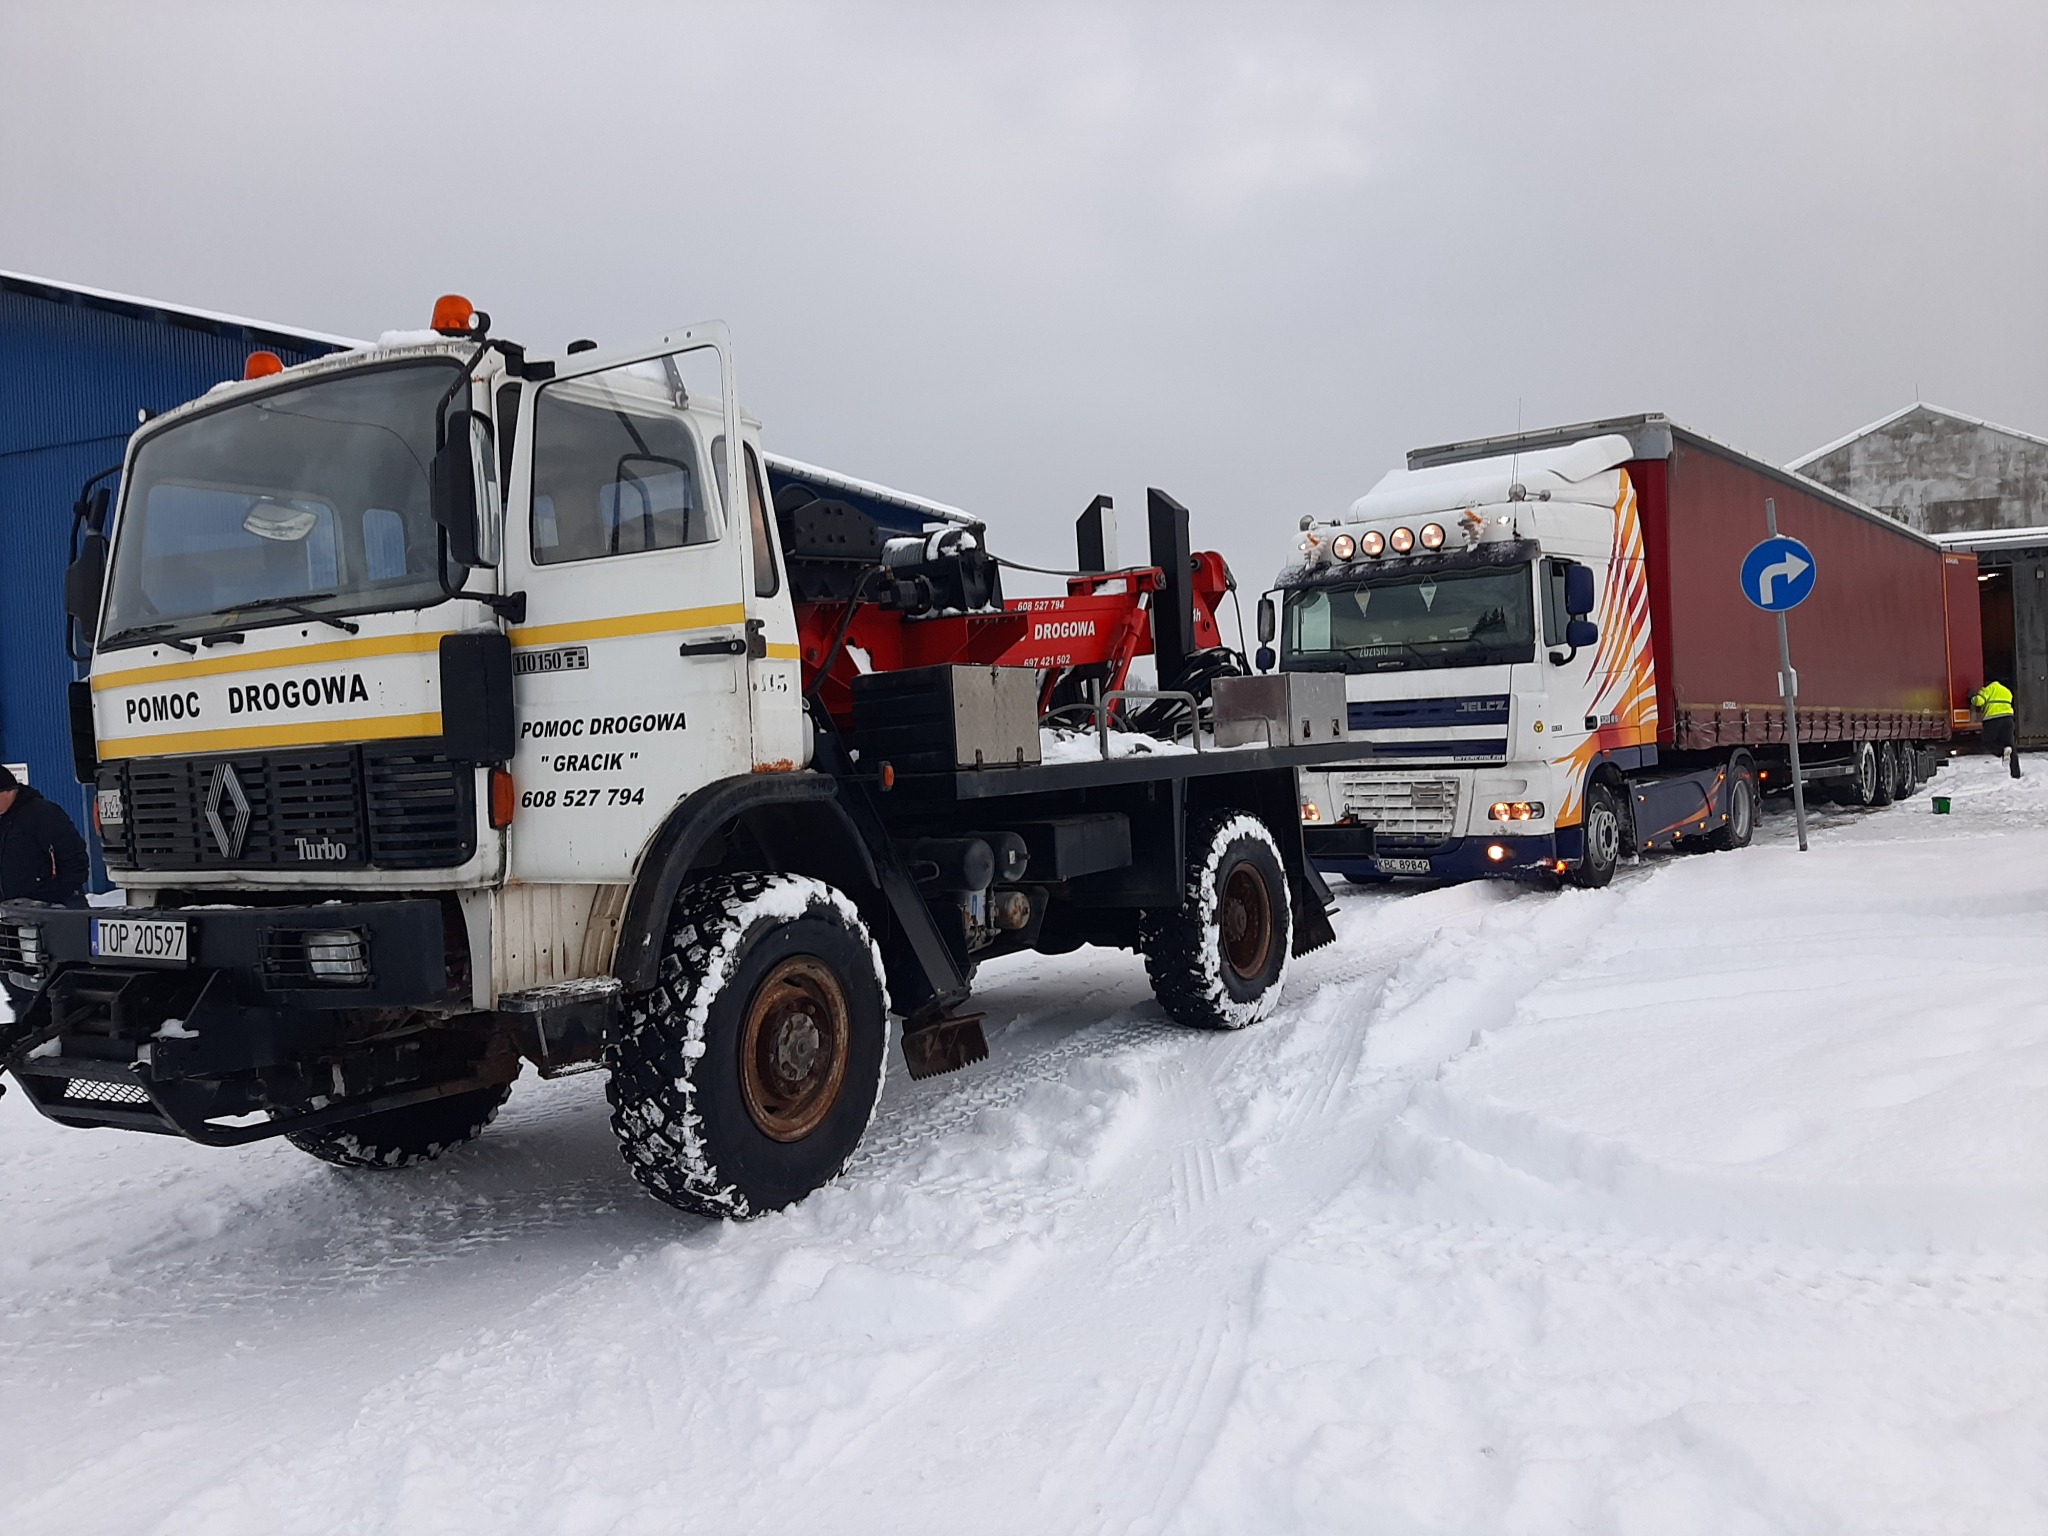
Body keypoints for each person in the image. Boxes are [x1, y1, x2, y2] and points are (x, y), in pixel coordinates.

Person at [0, 764, 90, 1018]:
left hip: (52, 913)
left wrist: (56, 896)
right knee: (16, 982)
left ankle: (67, 1030)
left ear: (8, 791)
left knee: (62, 981)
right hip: (9, 919)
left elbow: (75, 859)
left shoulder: (42, 814)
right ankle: (29, 1033)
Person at [1972, 680, 2023, 779]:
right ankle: (2016, 774)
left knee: (1987, 743)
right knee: (2010, 745)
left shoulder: (1989, 688)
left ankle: (2001, 751)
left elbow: (1979, 701)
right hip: (2008, 719)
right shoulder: (2007, 691)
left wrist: (1972, 698)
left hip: (1993, 720)